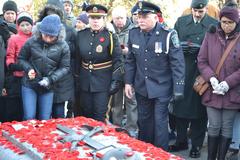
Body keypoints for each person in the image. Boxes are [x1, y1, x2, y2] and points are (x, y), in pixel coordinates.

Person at [125, 1, 185, 150]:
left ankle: (160, 153)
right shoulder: (133, 33)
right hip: (141, 87)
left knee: (160, 123)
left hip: (162, 87)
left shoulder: (168, 34)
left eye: (144, 16)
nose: (140, 20)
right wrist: (128, 83)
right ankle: (145, 151)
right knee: (144, 122)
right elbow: (130, 60)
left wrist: (178, 88)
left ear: (156, 17)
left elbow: (177, 63)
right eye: (138, 16)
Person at [169, 0, 218, 158]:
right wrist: (180, 47)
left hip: (201, 72)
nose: (197, 14)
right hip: (182, 69)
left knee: (198, 111)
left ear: (206, 9)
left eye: (201, 11)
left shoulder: (213, 24)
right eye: (195, 11)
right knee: (180, 107)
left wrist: (201, 50)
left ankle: (196, 145)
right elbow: (172, 41)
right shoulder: (181, 21)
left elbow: (218, 48)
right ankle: (181, 140)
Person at [197, 7, 240, 160]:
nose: (226, 25)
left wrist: (228, 83)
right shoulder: (211, 35)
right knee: (214, 126)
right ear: (219, 20)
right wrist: (212, 79)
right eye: (223, 22)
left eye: (230, 22)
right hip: (212, 90)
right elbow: (202, 60)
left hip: (233, 91)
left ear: (236, 22)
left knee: (227, 127)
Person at [75, 4, 123, 122]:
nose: (95, 21)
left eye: (98, 18)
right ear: (89, 19)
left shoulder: (110, 36)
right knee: (86, 114)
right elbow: (76, 59)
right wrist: (76, 78)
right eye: (92, 18)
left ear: (104, 19)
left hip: (103, 83)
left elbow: (118, 60)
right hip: (85, 81)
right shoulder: (81, 35)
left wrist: (116, 80)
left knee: (99, 115)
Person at [18, 14, 70, 120]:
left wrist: (50, 79)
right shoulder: (32, 41)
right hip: (29, 84)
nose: (48, 39)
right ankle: (27, 136)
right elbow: (21, 58)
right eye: (45, 35)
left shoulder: (63, 46)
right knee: (29, 116)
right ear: (40, 31)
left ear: (58, 34)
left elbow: (65, 67)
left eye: (52, 36)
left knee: (45, 118)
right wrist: (28, 69)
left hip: (48, 86)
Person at [38, 0, 76, 118]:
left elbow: (75, 56)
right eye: (49, 14)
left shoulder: (70, 31)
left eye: (55, 14)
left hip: (62, 80)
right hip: (43, 78)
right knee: (43, 116)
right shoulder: (39, 30)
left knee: (59, 114)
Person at [110, 6, 138, 137]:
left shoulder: (134, 30)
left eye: (121, 18)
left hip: (130, 71)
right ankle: (116, 127)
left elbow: (139, 50)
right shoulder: (109, 30)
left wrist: (129, 51)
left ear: (126, 17)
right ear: (112, 18)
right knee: (115, 102)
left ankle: (131, 129)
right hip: (114, 70)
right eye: (116, 18)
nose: (119, 21)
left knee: (131, 101)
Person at [4, 11, 33, 122]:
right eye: (22, 25)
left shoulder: (36, 38)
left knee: (29, 109)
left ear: (32, 25)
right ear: (18, 26)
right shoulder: (14, 39)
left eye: (27, 24)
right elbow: (10, 56)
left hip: (32, 77)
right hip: (18, 77)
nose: (25, 28)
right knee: (17, 107)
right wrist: (12, 65)